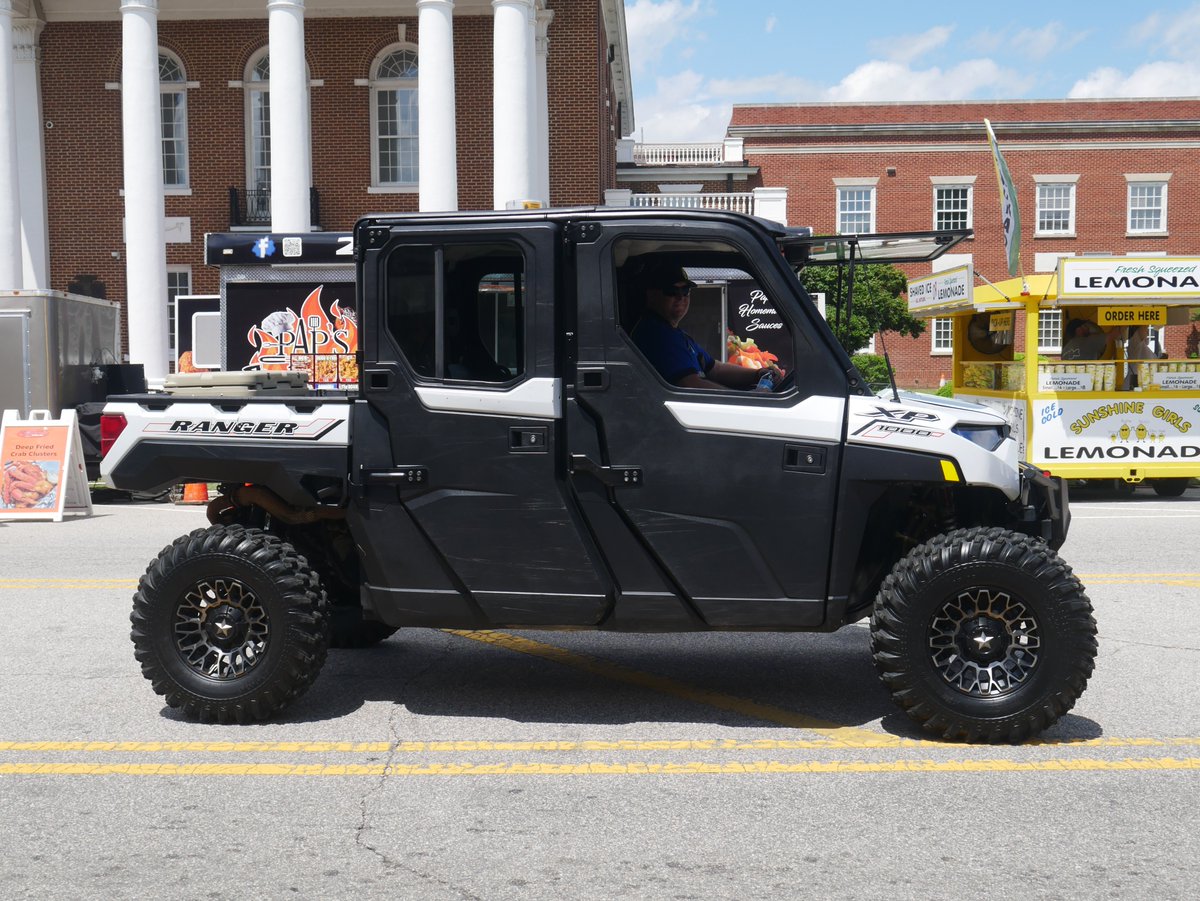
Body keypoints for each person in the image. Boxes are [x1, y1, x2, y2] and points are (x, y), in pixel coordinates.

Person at [631, 262, 783, 391]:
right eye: (671, 291)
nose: (681, 297)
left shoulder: (677, 334)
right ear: (651, 295)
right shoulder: (656, 335)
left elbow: (714, 369)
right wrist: (747, 399)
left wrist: (758, 373)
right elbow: (690, 384)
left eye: (685, 290)